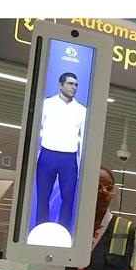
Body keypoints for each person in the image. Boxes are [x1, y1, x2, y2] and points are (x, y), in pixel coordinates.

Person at [36, 72, 87, 233]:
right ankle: (40, 230)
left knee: (68, 198)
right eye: (70, 84)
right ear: (60, 85)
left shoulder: (82, 110)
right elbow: (37, 129)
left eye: (76, 84)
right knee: (43, 196)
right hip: (47, 154)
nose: (73, 87)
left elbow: (83, 138)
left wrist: (82, 160)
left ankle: (64, 231)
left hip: (69, 157)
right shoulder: (47, 104)